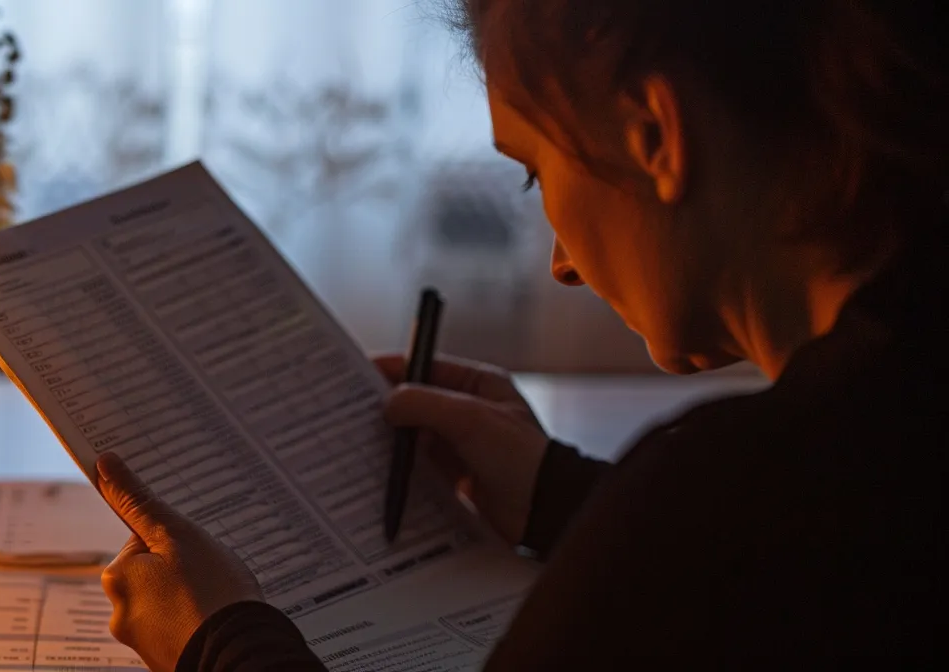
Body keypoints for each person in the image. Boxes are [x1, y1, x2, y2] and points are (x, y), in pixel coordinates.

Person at [92, 0, 949, 669]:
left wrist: (222, 643)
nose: (561, 266)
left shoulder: (733, 494)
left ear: (655, 133)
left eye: (536, 172)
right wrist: (561, 494)